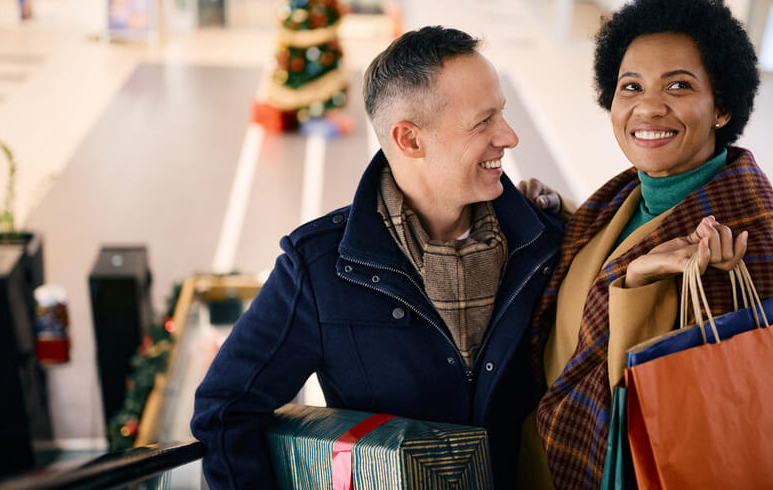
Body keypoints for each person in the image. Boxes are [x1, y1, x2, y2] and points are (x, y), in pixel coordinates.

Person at [191, 26, 563, 489]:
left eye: (501, 114)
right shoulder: (320, 269)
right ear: (409, 140)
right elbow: (225, 410)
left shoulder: (545, 241)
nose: (508, 137)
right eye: (482, 121)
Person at [527, 0, 773, 489]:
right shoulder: (622, 199)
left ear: (722, 108)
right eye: (631, 86)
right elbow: (617, 254)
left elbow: (688, 412)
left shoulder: (738, 239)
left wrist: (639, 282)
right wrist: (563, 213)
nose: (649, 107)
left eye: (678, 86)